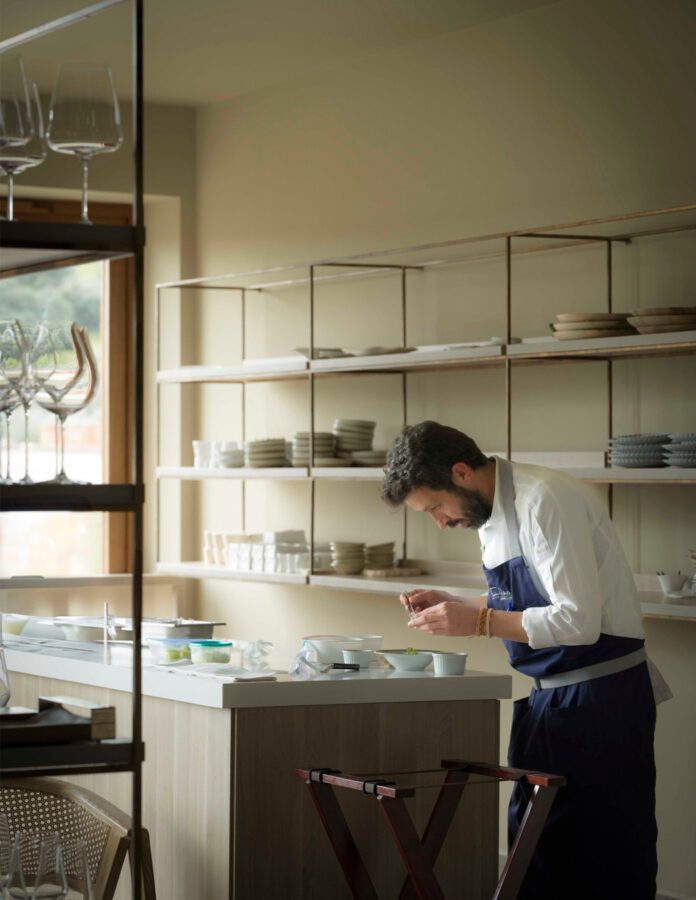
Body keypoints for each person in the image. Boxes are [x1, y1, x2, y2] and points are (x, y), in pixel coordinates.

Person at [381, 420, 670, 900]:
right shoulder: (490, 513)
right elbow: (524, 595)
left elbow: (577, 622)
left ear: (460, 473)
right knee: (535, 857)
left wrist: (477, 623)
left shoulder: (544, 500)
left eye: (434, 507)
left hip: (601, 704)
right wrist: (463, 603)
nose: (439, 521)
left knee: (607, 859)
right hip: (549, 705)